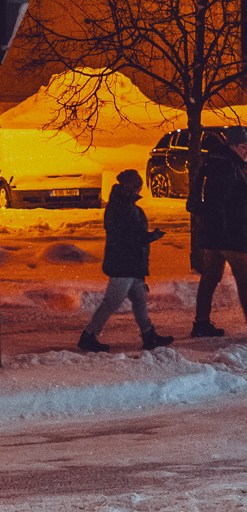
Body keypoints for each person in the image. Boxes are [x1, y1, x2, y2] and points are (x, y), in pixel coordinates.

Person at [78, 168, 173, 352]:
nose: (140, 189)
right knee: (111, 302)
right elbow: (130, 237)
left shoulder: (121, 205)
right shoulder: (124, 207)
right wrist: (150, 237)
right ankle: (89, 335)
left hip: (129, 263)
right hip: (124, 263)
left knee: (139, 299)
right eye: (139, 186)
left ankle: (148, 334)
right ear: (134, 187)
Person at [191, 123, 247, 338]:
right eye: (243, 146)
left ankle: (202, 322)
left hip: (214, 237)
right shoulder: (226, 168)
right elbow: (220, 205)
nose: (246, 150)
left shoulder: (216, 163)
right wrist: (227, 235)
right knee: (244, 281)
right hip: (230, 237)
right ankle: (201, 323)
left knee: (209, 279)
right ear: (232, 146)